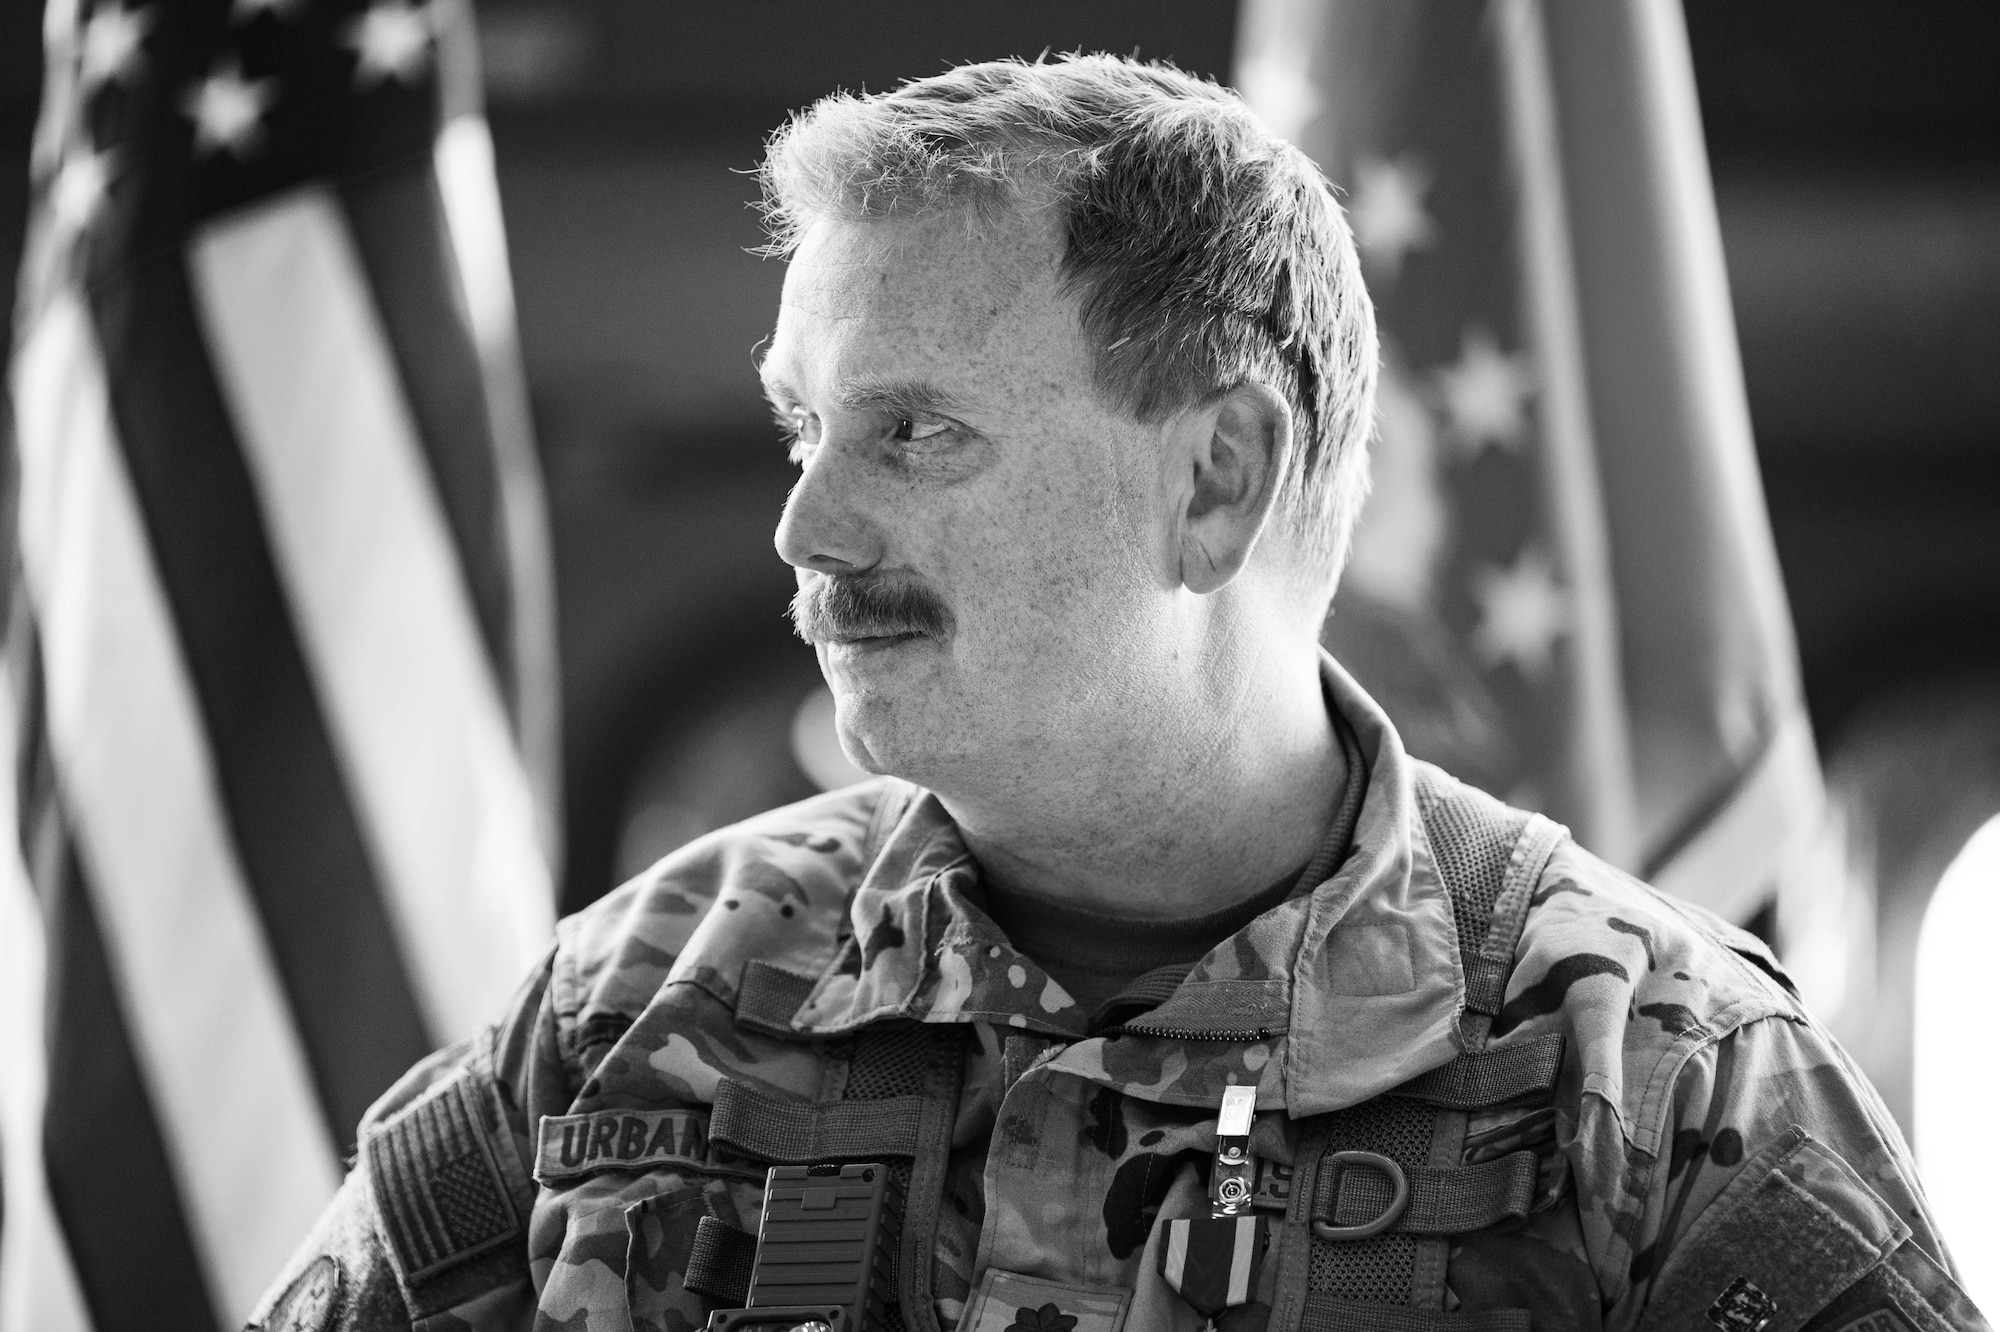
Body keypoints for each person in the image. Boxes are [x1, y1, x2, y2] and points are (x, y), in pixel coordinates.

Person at [250, 55, 1985, 1332]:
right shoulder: (634, 996)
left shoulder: (1658, 1081)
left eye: (914, 432)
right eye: (805, 426)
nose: (807, 524)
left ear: (1217, 478)